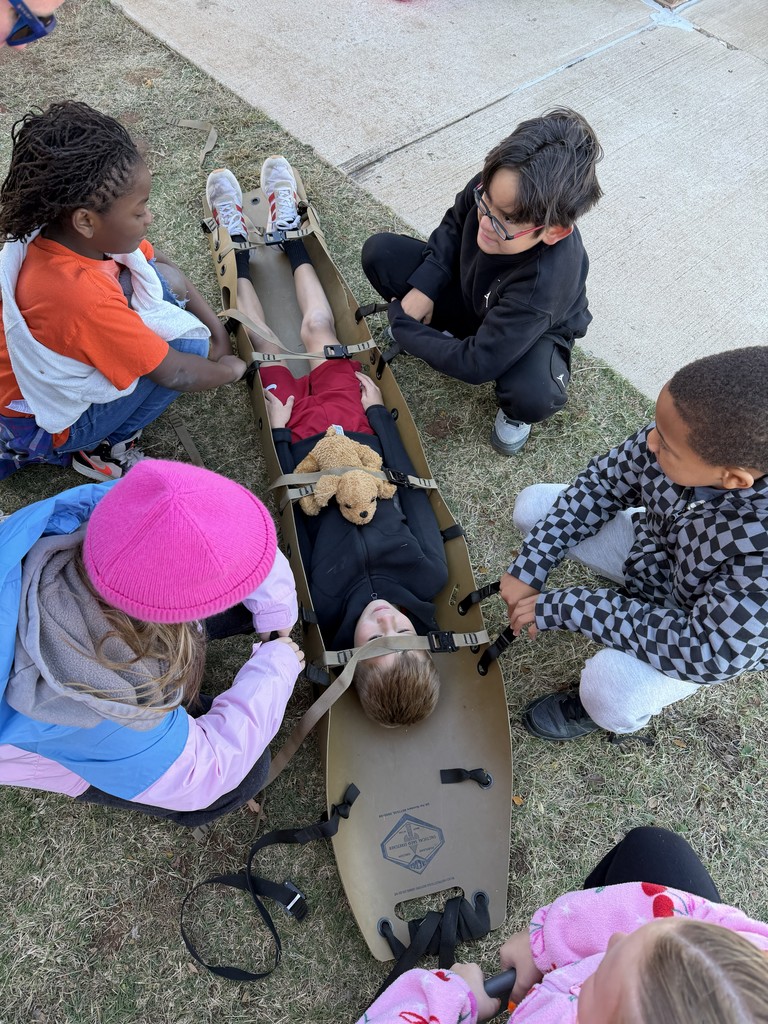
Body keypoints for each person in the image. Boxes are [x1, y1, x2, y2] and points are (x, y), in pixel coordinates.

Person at [206, 163, 447, 727]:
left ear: (352, 653)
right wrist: (375, 415)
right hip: (356, 435)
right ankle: (291, 238)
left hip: (303, 443)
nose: (387, 621)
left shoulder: (323, 600)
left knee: (266, 344)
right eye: (404, 634)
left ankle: (236, 248)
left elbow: (297, 516)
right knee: (318, 330)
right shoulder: (426, 577)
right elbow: (410, 489)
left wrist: (283, 433)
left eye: (375, 639)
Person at [0, 458, 304, 827]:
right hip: (61, 735)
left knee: (239, 590)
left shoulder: (119, 511)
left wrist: (277, 615)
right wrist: (276, 668)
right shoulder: (98, 716)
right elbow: (203, 774)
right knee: (247, 775)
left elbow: (221, 528)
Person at [499, 346, 768, 741]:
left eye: (667, 446)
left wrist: (566, 607)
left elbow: (706, 650)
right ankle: (637, 597)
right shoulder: (684, 435)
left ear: (734, 478)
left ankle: (602, 714)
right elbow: (603, 484)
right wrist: (532, 563)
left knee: (609, 690)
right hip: (655, 553)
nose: (650, 443)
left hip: (703, 627)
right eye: (657, 428)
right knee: (534, 508)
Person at [0, 100, 247, 481]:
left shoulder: (62, 231)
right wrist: (230, 369)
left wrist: (218, 332)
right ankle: (103, 446)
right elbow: (177, 373)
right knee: (187, 345)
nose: (149, 218)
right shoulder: (82, 298)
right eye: (139, 210)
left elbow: (156, 261)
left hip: (44, 367)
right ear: (85, 220)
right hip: (41, 426)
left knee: (163, 278)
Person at [361, 108, 603, 455]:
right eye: (485, 202)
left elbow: (478, 365)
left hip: (527, 332)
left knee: (533, 394)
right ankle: (443, 331)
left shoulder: (545, 283)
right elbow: (452, 225)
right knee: (381, 253)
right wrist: (426, 286)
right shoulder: (498, 187)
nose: (487, 222)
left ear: (554, 231)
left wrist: (403, 326)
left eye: (507, 219)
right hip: (470, 291)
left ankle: (515, 411)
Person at [357, 826, 768, 1023]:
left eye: (603, 968)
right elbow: (664, 912)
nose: (618, 937)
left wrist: (457, 999)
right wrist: (546, 947)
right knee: (654, 850)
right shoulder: (747, 963)